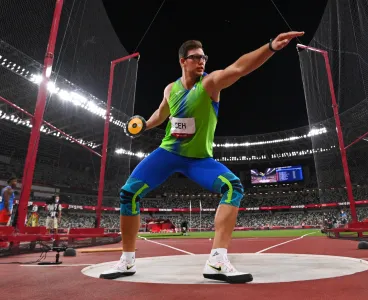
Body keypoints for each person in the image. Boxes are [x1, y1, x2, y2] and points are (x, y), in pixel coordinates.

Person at [100, 31, 304, 283]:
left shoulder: (209, 84)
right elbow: (161, 115)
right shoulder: (170, 89)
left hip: (198, 160)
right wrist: (143, 124)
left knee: (233, 186)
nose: (202, 61)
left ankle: (217, 261)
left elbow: (239, 68)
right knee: (128, 194)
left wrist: (270, 47)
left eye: (204, 57)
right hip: (168, 153)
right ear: (182, 61)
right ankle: (127, 261)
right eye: (195, 57)